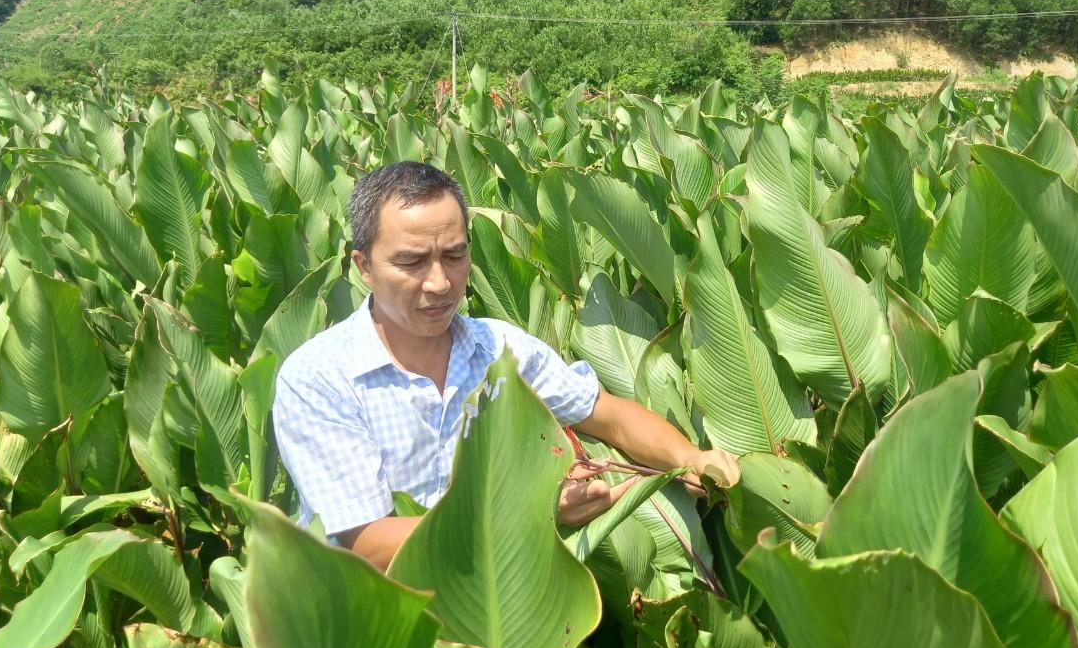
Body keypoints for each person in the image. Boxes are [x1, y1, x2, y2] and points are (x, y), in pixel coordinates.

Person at [272, 161, 739, 570]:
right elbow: (367, 546)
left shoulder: (498, 347)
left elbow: (609, 415)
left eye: (454, 256)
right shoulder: (320, 377)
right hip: (376, 619)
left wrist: (691, 459)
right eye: (412, 262)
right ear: (363, 266)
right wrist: (533, 510)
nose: (439, 283)